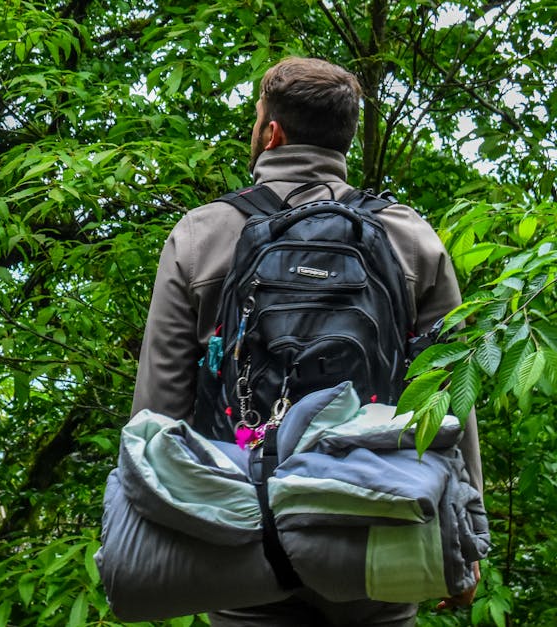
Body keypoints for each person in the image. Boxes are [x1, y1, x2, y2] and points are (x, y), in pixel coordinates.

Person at [130, 56, 483, 626]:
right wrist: (468, 540)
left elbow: (159, 409)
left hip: (240, 534)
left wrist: (145, 539)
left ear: (272, 131)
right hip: (381, 533)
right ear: (344, 137)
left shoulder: (203, 234)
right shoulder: (411, 237)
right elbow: (449, 401)